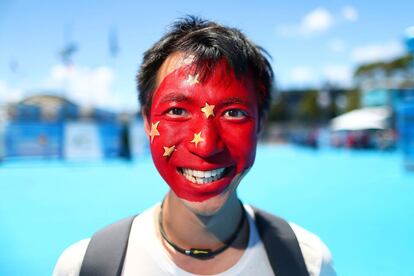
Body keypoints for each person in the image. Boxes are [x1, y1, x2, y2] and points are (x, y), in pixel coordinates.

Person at [53, 16, 336, 276]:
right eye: (177, 111)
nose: (206, 145)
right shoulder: (86, 266)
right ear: (147, 121)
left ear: (260, 123)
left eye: (234, 113)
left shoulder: (306, 263)